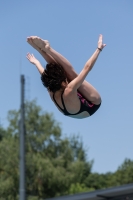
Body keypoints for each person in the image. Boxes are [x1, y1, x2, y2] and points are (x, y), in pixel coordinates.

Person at [26, 35, 106, 119]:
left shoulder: (51, 88)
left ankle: (43, 49)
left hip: (71, 107)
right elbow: (87, 68)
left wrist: (36, 62)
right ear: (64, 83)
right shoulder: (69, 90)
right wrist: (99, 49)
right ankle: (48, 49)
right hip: (92, 105)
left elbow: (45, 74)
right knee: (72, 76)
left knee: (55, 73)